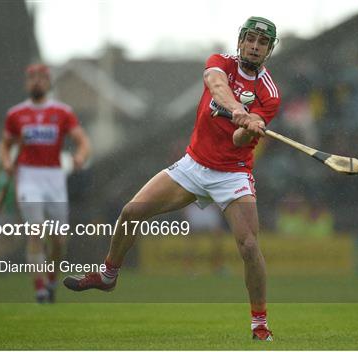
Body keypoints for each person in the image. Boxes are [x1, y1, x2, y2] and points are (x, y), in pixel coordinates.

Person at [64, 17, 281, 341]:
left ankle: (259, 324)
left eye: (262, 43)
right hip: (193, 165)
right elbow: (215, 84)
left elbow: (238, 141)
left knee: (249, 246)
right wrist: (237, 109)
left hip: (233, 173)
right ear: (240, 40)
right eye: (250, 39)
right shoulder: (221, 62)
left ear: (269, 49)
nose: (254, 46)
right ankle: (108, 275)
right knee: (130, 213)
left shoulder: (269, 94)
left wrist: (249, 125)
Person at [0, 64, 90, 303]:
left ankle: (51, 279)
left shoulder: (62, 112)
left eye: (41, 78)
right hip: (29, 176)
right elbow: (5, 145)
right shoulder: (16, 114)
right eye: (32, 78)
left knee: (59, 240)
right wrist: (7, 162)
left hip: (54, 177)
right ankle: (40, 289)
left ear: (49, 82)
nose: (36, 82)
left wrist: (80, 156)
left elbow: (82, 141)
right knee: (36, 231)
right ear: (26, 83)